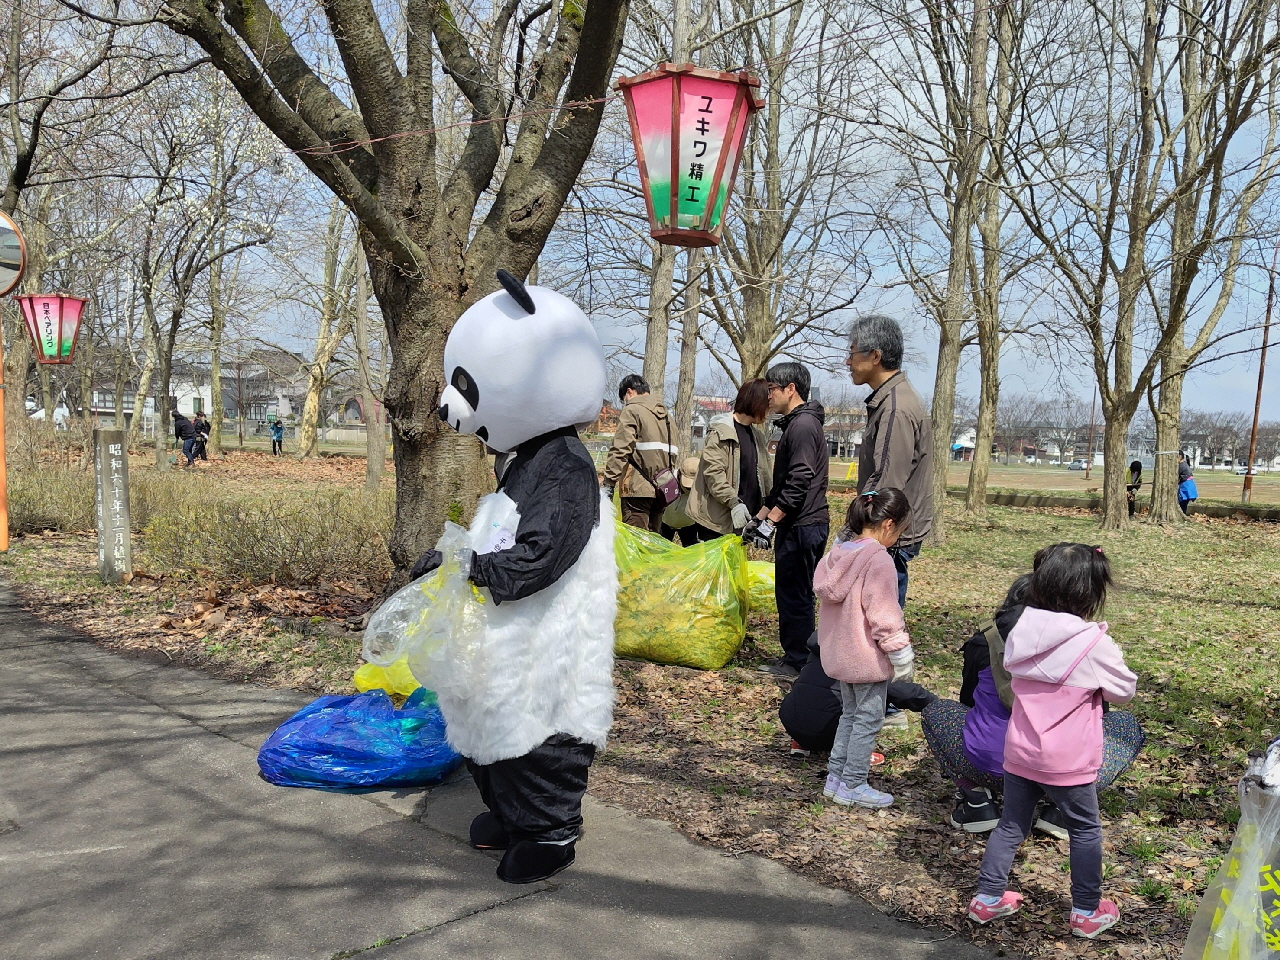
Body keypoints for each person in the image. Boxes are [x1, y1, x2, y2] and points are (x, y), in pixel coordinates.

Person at [410, 269, 615, 884]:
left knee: (539, 736)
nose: (450, 404)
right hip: (507, 631)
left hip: (544, 643)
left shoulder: (566, 468)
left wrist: (472, 568)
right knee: (488, 726)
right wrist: (454, 564)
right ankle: (511, 814)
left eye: (466, 384)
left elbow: (540, 556)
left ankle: (550, 832)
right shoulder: (527, 457)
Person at [967, 543, 1137, 941]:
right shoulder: (1093, 644)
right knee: (1085, 829)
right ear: (1091, 592)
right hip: (1067, 760)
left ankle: (987, 898)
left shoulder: (1020, 630)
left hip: (1021, 750)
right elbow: (1124, 691)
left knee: (1011, 824)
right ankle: (1086, 911)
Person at [922, 569, 1144, 838]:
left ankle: (977, 801)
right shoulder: (1086, 649)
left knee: (938, 711)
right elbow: (1100, 711)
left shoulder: (987, 641)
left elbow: (968, 701)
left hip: (995, 765)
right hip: (1067, 772)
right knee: (1124, 724)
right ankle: (1062, 810)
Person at [813, 487, 915, 809]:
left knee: (850, 715)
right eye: (900, 531)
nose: (898, 538)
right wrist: (899, 652)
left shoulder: (837, 555)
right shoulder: (878, 559)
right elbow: (883, 611)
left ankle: (836, 778)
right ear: (888, 525)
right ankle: (853, 783)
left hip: (840, 654)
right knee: (868, 720)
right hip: (866, 656)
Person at [844, 315, 934, 607]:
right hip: (885, 532)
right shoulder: (890, 399)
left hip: (886, 534)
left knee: (879, 621)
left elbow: (886, 482)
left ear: (875, 356)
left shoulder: (896, 407)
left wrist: (849, 535)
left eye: (852, 353)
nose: (847, 361)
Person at [747, 362, 829, 680]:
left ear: (790, 389)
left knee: (795, 596)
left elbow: (800, 480)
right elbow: (782, 484)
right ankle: (796, 657)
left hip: (803, 525)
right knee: (791, 593)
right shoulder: (796, 424)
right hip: (797, 524)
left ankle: (798, 663)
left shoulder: (803, 426)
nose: (768, 396)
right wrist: (759, 517)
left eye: (772, 390)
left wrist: (771, 522)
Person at [779, 629, 938, 761]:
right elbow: (902, 691)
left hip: (791, 720)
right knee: (874, 694)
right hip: (830, 731)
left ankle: (801, 743)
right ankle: (857, 753)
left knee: (810, 690)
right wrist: (936, 704)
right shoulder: (866, 654)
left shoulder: (825, 642)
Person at [682, 379, 773, 543]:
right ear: (756, 402)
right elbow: (713, 474)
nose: (769, 410)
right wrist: (734, 503)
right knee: (716, 561)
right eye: (767, 405)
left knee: (735, 560)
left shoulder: (757, 436)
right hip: (716, 521)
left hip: (742, 521)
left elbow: (764, 478)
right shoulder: (720, 433)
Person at [602, 375, 678, 533]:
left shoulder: (632, 410)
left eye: (624, 399)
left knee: (635, 541)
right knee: (652, 542)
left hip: (636, 488)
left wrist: (609, 483)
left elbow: (620, 449)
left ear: (629, 392)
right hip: (663, 489)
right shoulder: (668, 417)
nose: (625, 402)